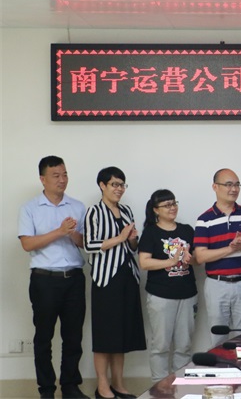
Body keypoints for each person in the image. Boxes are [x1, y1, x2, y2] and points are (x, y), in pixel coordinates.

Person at [18, 156, 89, 399]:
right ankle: (46, 390)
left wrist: (72, 234)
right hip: (44, 280)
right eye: (56, 175)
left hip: (74, 278)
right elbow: (27, 244)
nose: (62, 179)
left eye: (65, 174)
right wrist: (59, 231)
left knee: (73, 337)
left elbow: (85, 243)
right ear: (43, 179)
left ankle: (70, 386)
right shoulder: (30, 208)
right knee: (44, 337)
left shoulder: (77, 206)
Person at [83, 167, 146, 399]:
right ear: (102, 185)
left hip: (128, 276)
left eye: (122, 185)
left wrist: (132, 240)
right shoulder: (94, 211)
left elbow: (132, 247)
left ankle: (119, 384)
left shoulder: (126, 210)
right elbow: (89, 244)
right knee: (105, 334)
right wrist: (120, 238)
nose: (119, 189)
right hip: (105, 279)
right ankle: (102, 385)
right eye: (114, 184)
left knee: (122, 333)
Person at [194, 168, 241, 347]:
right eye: (228, 184)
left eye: (237, 185)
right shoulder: (204, 219)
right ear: (215, 187)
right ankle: (220, 366)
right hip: (217, 285)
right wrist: (230, 248)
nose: (234, 189)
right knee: (218, 336)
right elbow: (201, 256)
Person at [138, 190, 197, 384]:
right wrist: (170, 261)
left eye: (174, 203)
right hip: (161, 296)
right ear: (156, 210)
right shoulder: (151, 232)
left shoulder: (187, 230)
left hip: (187, 294)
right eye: (167, 205)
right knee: (161, 345)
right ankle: (159, 388)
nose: (172, 208)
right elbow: (144, 263)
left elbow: (197, 260)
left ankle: (181, 385)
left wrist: (190, 258)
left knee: (184, 345)